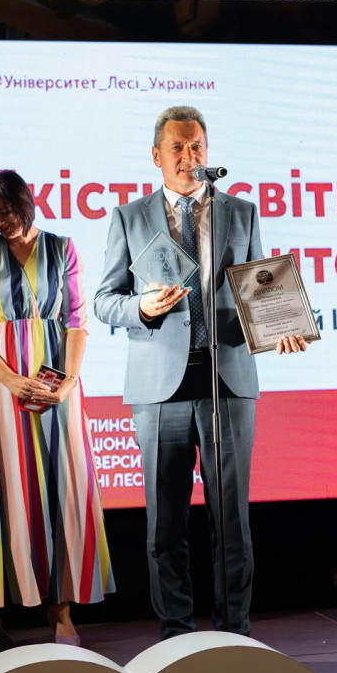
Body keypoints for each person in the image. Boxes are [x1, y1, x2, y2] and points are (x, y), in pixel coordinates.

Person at [93, 105, 309, 640]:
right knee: (165, 527)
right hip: (159, 389)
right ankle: (176, 637)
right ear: (156, 156)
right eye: (178, 148)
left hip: (226, 380)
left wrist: (280, 325)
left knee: (232, 523)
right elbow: (104, 300)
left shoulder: (241, 212)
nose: (189, 157)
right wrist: (142, 308)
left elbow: (259, 288)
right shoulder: (129, 217)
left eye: (197, 147)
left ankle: (234, 635)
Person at [0, 170, 114, 643]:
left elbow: (77, 321)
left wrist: (66, 383)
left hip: (55, 387)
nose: (0, 222)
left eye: (6, 211)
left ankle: (60, 610)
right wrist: (10, 380)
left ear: (26, 202)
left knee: (62, 488)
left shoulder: (62, 248)